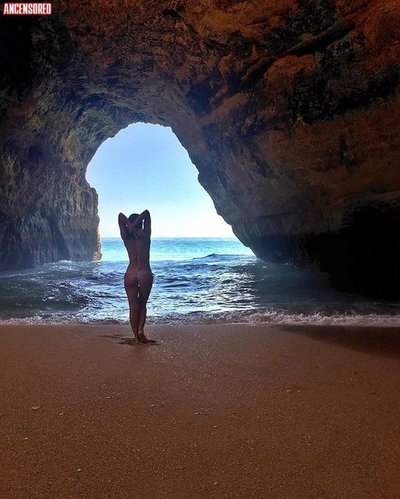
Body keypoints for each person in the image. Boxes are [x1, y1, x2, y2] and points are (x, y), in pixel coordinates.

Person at [118, 210, 155, 344]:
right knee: (142, 304)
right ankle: (141, 331)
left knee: (133, 306)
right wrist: (136, 225)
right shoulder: (145, 234)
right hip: (144, 272)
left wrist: (130, 225)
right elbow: (147, 213)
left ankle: (135, 337)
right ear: (141, 224)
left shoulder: (126, 238)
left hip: (130, 273)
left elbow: (120, 216)